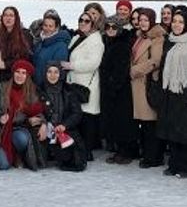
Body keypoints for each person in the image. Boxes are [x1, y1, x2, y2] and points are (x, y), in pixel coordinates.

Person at [157, 7, 187, 178]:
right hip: (171, 92)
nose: (177, 25)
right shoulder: (169, 41)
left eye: (181, 22)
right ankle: (174, 164)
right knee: (173, 130)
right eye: (174, 21)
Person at [0, 59, 44, 170]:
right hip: (1, 130)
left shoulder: (31, 92)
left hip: (19, 128)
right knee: (4, 165)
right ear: (13, 73)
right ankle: (8, 151)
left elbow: (39, 111)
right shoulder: (0, 88)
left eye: (23, 73)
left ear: (28, 76)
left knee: (22, 139)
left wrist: (43, 123)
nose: (20, 76)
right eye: (17, 72)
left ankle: (18, 153)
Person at [130, 8, 166, 168]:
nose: (143, 23)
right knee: (144, 123)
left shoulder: (157, 37)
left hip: (147, 82)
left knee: (150, 122)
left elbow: (156, 60)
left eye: (146, 20)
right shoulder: (140, 36)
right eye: (141, 20)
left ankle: (154, 157)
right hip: (138, 84)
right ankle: (147, 154)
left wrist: (136, 70)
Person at [65, 12, 104, 156]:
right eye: (80, 20)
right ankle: (79, 149)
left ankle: (87, 151)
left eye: (87, 21)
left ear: (93, 24)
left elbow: (93, 63)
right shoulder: (77, 37)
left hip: (87, 84)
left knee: (87, 119)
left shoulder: (96, 41)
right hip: (74, 82)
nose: (82, 23)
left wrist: (72, 65)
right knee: (77, 116)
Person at [100, 15, 137, 163]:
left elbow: (121, 70)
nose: (110, 29)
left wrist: (112, 85)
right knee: (116, 121)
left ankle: (126, 152)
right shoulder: (110, 42)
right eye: (107, 27)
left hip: (120, 91)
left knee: (123, 122)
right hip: (112, 89)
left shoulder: (122, 44)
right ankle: (120, 150)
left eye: (114, 27)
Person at [39, 62, 87, 171]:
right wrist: (43, 123)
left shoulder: (68, 91)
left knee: (74, 161)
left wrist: (65, 125)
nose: (52, 75)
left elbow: (77, 113)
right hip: (46, 129)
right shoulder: (39, 90)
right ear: (45, 74)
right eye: (49, 72)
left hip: (64, 129)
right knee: (40, 161)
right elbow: (34, 111)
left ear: (61, 74)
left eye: (56, 72)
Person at [32, 11, 71, 87]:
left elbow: (58, 72)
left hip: (48, 88)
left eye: (50, 26)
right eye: (45, 25)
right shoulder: (41, 42)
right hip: (36, 85)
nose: (47, 29)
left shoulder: (60, 46)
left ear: (56, 28)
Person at [0, 6, 33, 82]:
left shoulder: (25, 35)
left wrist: (5, 65)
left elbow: (25, 58)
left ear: (16, 18)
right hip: (0, 78)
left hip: (17, 78)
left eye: (11, 15)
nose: (8, 18)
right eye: (5, 15)